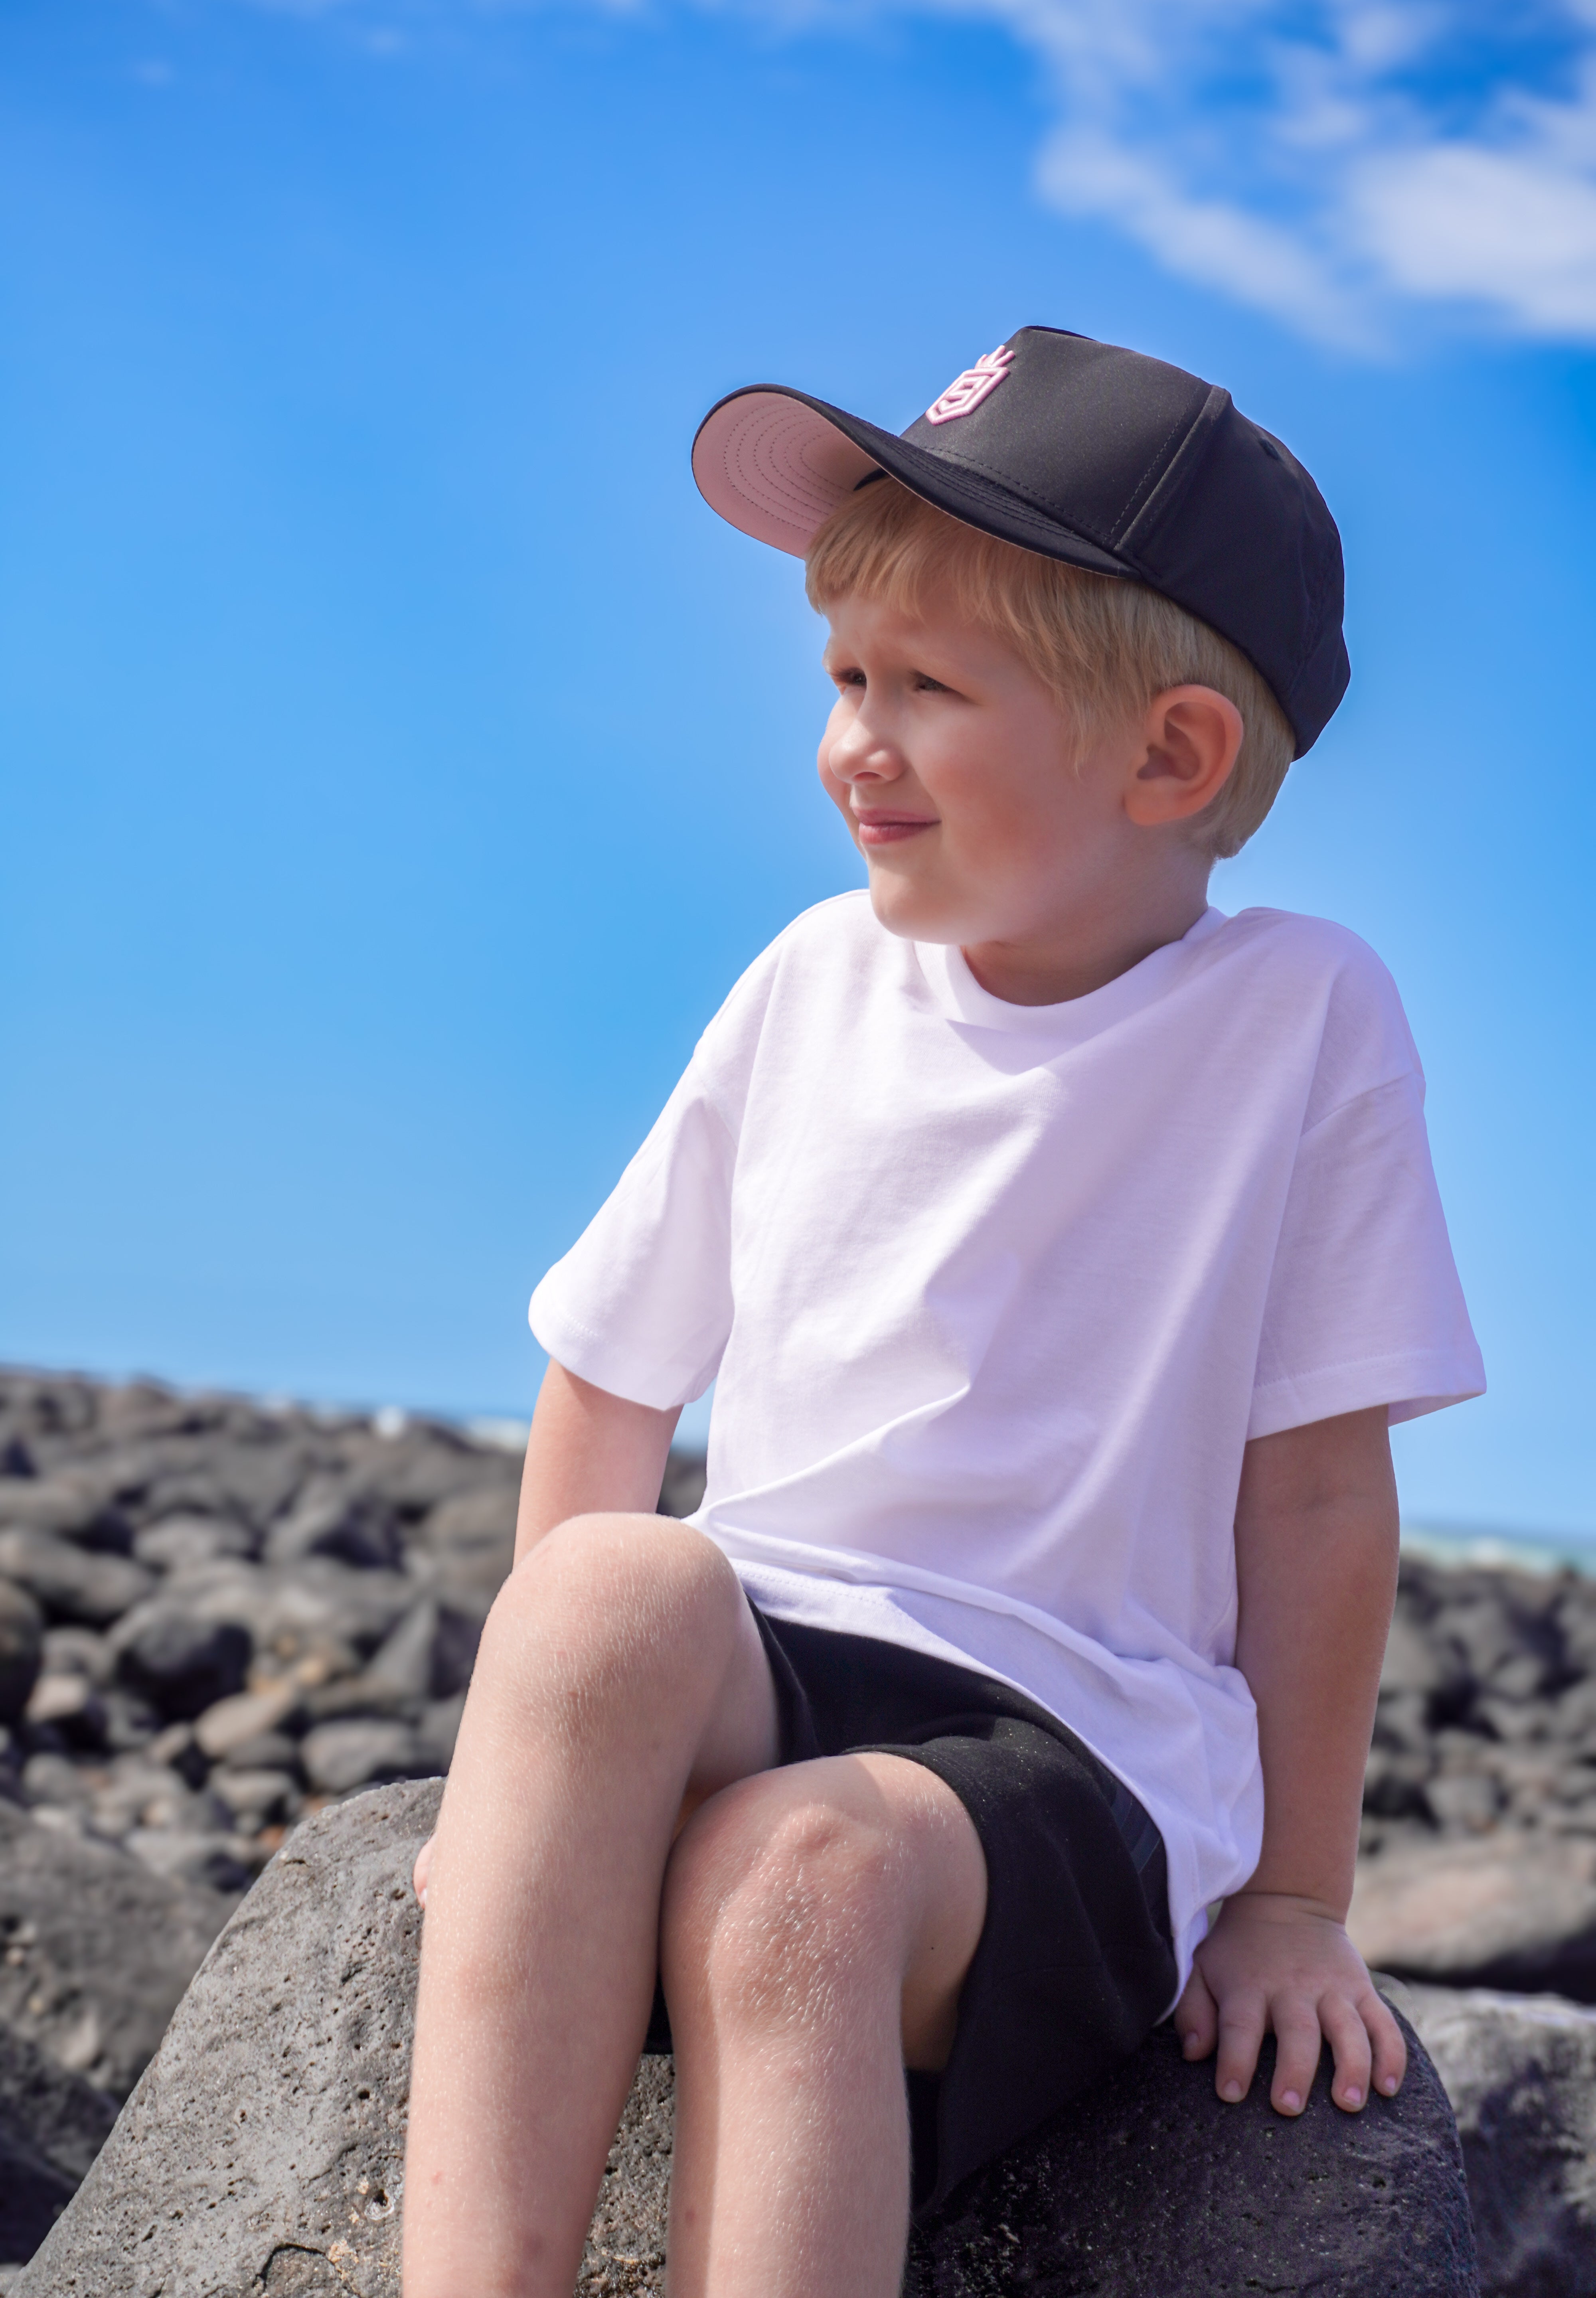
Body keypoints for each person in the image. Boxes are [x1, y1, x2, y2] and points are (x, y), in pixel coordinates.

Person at [401, 326, 1484, 2298]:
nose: (854, 742)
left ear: (1169, 756)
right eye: (844, 680)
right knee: (596, 1596)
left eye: (926, 688)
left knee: (791, 1885)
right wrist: (531, 1803)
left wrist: (1295, 1900)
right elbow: (609, 1371)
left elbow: (1320, 1494)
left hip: (1070, 1749)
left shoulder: (1300, 1017)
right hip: (767, 1655)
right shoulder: (808, 979)